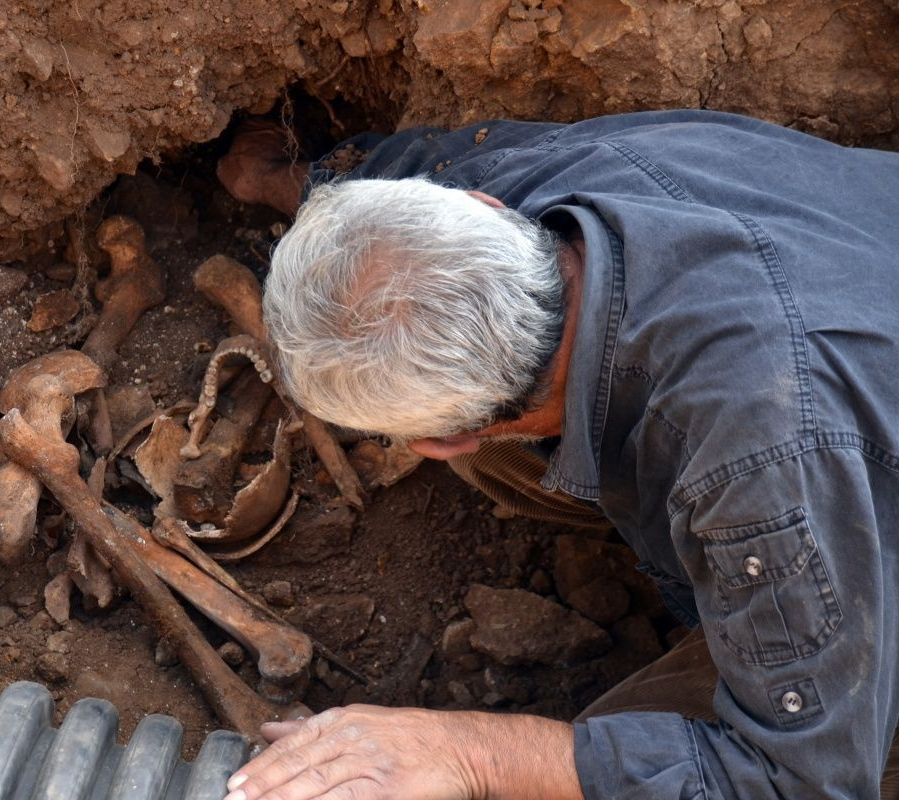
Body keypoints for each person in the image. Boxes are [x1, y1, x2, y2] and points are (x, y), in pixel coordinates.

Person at [214, 110, 899, 799]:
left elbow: (807, 784)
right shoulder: (527, 185)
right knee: (505, 456)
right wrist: (291, 180)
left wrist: (469, 754)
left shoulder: (758, 466)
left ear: (439, 440)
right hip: (855, 279)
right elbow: (399, 179)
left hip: (835, 483)